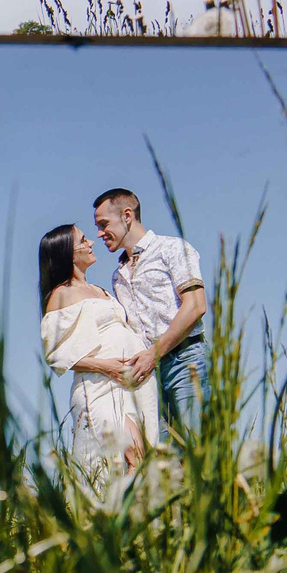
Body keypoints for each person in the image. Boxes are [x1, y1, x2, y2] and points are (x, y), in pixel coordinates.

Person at [38, 222, 160, 482]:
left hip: (130, 385)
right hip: (99, 387)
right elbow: (57, 355)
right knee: (128, 458)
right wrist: (107, 366)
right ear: (68, 252)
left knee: (142, 458)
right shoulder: (61, 294)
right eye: (83, 240)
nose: (91, 242)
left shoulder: (101, 290)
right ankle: (116, 513)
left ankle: (135, 517)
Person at [91, 187, 207, 442]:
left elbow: (196, 305)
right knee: (164, 458)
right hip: (148, 374)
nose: (99, 234)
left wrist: (153, 354)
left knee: (198, 447)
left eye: (103, 224)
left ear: (127, 215)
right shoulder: (117, 276)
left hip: (185, 360)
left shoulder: (172, 248)